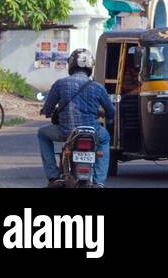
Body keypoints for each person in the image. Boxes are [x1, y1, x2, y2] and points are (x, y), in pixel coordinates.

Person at [38, 48, 115, 188]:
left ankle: (53, 176)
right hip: (92, 132)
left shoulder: (60, 84)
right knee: (105, 139)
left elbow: (48, 109)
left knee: (42, 133)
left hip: (66, 133)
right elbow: (111, 111)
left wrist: (47, 112)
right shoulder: (98, 87)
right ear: (90, 67)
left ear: (71, 65)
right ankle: (98, 182)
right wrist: (108, 117)